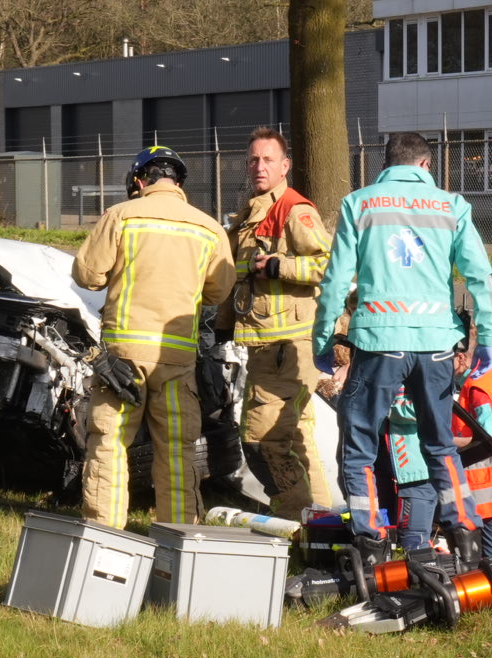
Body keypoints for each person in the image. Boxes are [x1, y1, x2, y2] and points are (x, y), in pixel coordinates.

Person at [310, 130, 492, 559]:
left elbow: (336, 281)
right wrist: (485, 338)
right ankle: (464, 533)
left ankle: (371, 540)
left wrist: (323, 340)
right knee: (440, 444)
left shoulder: (360, 204)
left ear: (386, 163)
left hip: (378, 342)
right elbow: (479, 279)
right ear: (426, 165)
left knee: (359, 445)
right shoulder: (452, 207)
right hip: (436, 344)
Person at [71, 145, 234, 527]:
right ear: (178, 182)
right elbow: (218, 291)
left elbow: (87, 275)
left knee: (109, 446)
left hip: (121, 363)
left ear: (139, 181)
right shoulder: (208, 227)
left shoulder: (121, 216)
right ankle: (176, 540)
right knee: (176, 453)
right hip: (176, 361)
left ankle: (104, 535)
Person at [214, 127, 332, 517]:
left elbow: (329, 265)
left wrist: (283, 265)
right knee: (296, 441)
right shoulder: (253, 210)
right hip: (265, 346)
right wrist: (222, 325)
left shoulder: (294, 210)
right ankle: (321, 525)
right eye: (253, 159)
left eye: (267, 160)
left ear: (286, 166)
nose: (258, 166)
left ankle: (295, 520)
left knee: (264, 439)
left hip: (289, 348)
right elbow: (240, 278)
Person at [385, 322, 492, 555]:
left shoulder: (477, 388)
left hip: (490, 489)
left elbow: (491, 439)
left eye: (440, 360)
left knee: (489, 562)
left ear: (459, 358)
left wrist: (441, 442)